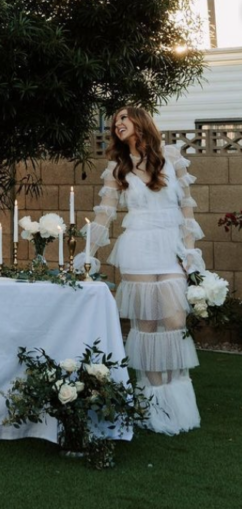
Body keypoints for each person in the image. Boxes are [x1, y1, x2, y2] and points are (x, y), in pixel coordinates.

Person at [86, 106, 204, 434]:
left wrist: (190, 250)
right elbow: (104, 215)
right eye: (115, 122)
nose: (117, 124)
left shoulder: (172, 156)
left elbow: (187, 207)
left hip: (170, 246)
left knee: (175, 320)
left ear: (140, 122)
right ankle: (156, 403)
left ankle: (177, 396)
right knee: (147, 324)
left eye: (123, 118)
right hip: (137, 246)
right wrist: (88, 253)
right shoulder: (117, 168)